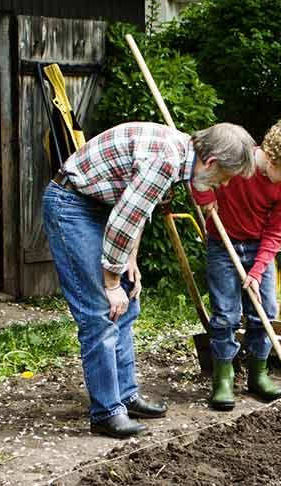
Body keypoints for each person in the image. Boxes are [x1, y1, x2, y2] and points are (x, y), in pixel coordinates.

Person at [42, 121, 255, 438]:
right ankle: (106, 412)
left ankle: (125, 395)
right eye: (225, 178)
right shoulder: (166, 159)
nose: (223, 186)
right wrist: (111, 284)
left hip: (101, 207)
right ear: (211, 163)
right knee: (100, 312)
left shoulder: (182, 154)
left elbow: (137, 211)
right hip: (71, 204)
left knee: (128, 304)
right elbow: (124, 218)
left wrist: (129, 260)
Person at [193, 116, 281, 411]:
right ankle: (223, 379)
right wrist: (205, 197)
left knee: (265, 311)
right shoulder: (237, 161)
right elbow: (199, 170)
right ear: (272, 156)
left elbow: (276, 232)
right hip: (222, 246)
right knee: (226, 315)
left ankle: (258, 375)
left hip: (258, 248)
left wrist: (257, 269)